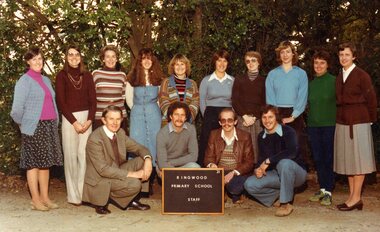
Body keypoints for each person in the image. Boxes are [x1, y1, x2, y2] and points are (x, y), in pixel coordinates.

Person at [10, 47, 63, 211]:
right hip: (33, 128)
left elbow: (51, 103)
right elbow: (16, 110)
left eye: (40, 58)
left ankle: (45, 197)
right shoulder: (24, 81)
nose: (38, 62)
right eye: (34, 59)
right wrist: (24, 125)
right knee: (33, 164)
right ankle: (35, 199)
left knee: (45, 164)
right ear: (28, 62)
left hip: (49, 125)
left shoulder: (45, 80)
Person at [82, 105, 152, 214]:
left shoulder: (120, 133)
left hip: (116, 170)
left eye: (118, 119)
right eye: (111, 119)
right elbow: (103, 170)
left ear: (122, 120)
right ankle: (103, 199)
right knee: (135, 184)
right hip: (100, 179)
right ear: (103, 120)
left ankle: (132, 199)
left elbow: (139, 148)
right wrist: (134, 174)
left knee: (142, 160)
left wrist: (148, 160)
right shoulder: (95, 139)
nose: (115, 123)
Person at [334, 42, 377, 211]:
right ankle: (352, 197)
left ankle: (356, 197)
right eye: (341, 55)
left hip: (359, 121)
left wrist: (370, 119)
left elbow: (372, 99)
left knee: (359, 161)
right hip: (343, 122)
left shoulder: (361, 75)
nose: (343, 58)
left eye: (347, 54)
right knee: (349, 161)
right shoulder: (339, 75)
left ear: (354, 56)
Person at [244, 105, 307, 217]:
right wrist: (258, 169)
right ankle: (279, 195)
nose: (267, 121)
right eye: (264, 117)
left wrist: (269, 160)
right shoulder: (261, 136)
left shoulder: (288, 131)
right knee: (249, 184)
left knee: (284, 162)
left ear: (276, 117)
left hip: (296, 173)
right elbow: (261, 160)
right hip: (276, 174)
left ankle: (286, 203)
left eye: (270, 117)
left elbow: (292, 153)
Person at [55, 45, 96, 205]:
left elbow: (93, 100)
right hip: (69, 119)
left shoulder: (87, 76)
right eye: (70, 55)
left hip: (86, 118)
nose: (73, 57)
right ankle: (73, 195)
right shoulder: (61, 76)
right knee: (71, 157)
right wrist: (74, 122)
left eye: (76, 54)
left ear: (81, 57)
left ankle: (82, 193)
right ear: (66, 57)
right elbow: (61, 102)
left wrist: (89, 120)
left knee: (84, 156)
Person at [126, 48, 164, 195]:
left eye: (149, 58)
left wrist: (154, 112)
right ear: (139, 61)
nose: (147, 61)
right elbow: (129, 100)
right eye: (144, 58)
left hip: (154, 114)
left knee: (153, 145)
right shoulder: (132, 79)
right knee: (138, 145)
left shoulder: (159, 79)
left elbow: (161, 100)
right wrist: (138, 110)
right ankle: (139, 187)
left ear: (152, 61)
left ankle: (150, 181)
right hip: (137, 115)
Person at [265, 41, 308, 168]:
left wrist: (293, 116)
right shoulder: (273, 74)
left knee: (296, 145)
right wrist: (275, 116)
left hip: (296, 114)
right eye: (282, 52)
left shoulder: (301, 73)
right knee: (277, 146)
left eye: (288, 51)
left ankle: (297, 181)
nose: (285, 55)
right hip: (277, 113)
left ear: (293, 54)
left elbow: (302, 96)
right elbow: (270, 97)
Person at [204, 108, 254, 203]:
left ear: (235, 121)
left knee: (234, 187)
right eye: (223, 120)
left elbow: (249, 162)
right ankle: (222, 190)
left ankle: (230, 191)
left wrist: (234, 172)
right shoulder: (213, 134)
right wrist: (211, 165)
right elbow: (208, 157)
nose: (226, 123)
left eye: (230, 120)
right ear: (219, 122)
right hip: (219, 171)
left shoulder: (245, 135)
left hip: (236, 171)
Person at [307, 50, 336, 206]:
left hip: (329, 125)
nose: (318, 65)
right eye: (316, 62)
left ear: (328, 65)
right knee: (318, 158)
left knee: (328, 158)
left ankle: (329, 191)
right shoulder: (310, 84)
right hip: (313, 126)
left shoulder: (334, 81)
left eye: (322, 62)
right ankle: (322, 189)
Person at [198, 49, 234, 166]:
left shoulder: (232, 80)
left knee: (226, 143)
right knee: (207, 143)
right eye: (219, 61)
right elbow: (202, 101)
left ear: (228, 63)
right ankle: (204, 171)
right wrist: (207, 117)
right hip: (210, 114)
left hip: (227, 114)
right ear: (215, 62)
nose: (222, 64)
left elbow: (235, 101)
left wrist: (232, 116)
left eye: (225, 61)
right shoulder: (206, 80)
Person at [231, 51, 266, 164]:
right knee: (241, 150)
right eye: (248, 61)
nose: (250, 63)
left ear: (259, 62)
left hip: (257, 120)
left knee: (257, 150)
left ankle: (256, 176)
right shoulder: (239, 79)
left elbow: (264, 103)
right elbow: (235, 101)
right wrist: (245, 117)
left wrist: (254, 118)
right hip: (242, 119)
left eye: (253, 60)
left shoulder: (264, 81)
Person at [156, 102, 200, 177]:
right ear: (170, 116)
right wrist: (174, 170)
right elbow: (162, 164)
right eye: (176, 114)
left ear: (186, 118)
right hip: (166, 167)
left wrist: (172, 163)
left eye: (182, 115)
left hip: (182, 164)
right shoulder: (162, 134)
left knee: (196, 168)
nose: (179, 118)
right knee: (171, 177)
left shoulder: (191, 129)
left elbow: (194, 156)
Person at [92, 45, 127, 130]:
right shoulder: (96, 74)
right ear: (103, 59)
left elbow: (123, 97)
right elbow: (91, 97)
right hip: (101, 117)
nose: (110, 59)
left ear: (117, 59)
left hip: (119, 118)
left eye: (113, 56)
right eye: (107, 56)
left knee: (120, 143)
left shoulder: (122, 75)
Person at [159, 53, 199, 126]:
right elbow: (163, 101)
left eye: (182, 64)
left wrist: (187, 117)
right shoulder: (166, 82)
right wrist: (174, 118)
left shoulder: (193, 84)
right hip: (169, 124)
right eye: (177, 64)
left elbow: (195, 102)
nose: (179, 67)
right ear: (173, 67)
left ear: (186, 66)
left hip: (188, 124)